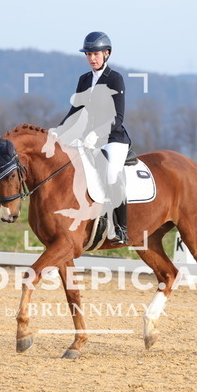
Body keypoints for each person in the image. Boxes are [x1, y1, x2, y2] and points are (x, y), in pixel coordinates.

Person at [56, 31, 132, 244]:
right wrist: (58, 131)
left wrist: (97, 133)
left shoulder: (115, 79)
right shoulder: (84, 80)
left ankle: (122, 229)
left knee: (111, 174)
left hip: (113, 139)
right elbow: (75, 111)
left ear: (106, 54)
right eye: (88, 54)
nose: (92, 58)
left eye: (96, 54)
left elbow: (118, 117)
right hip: (87, 139)